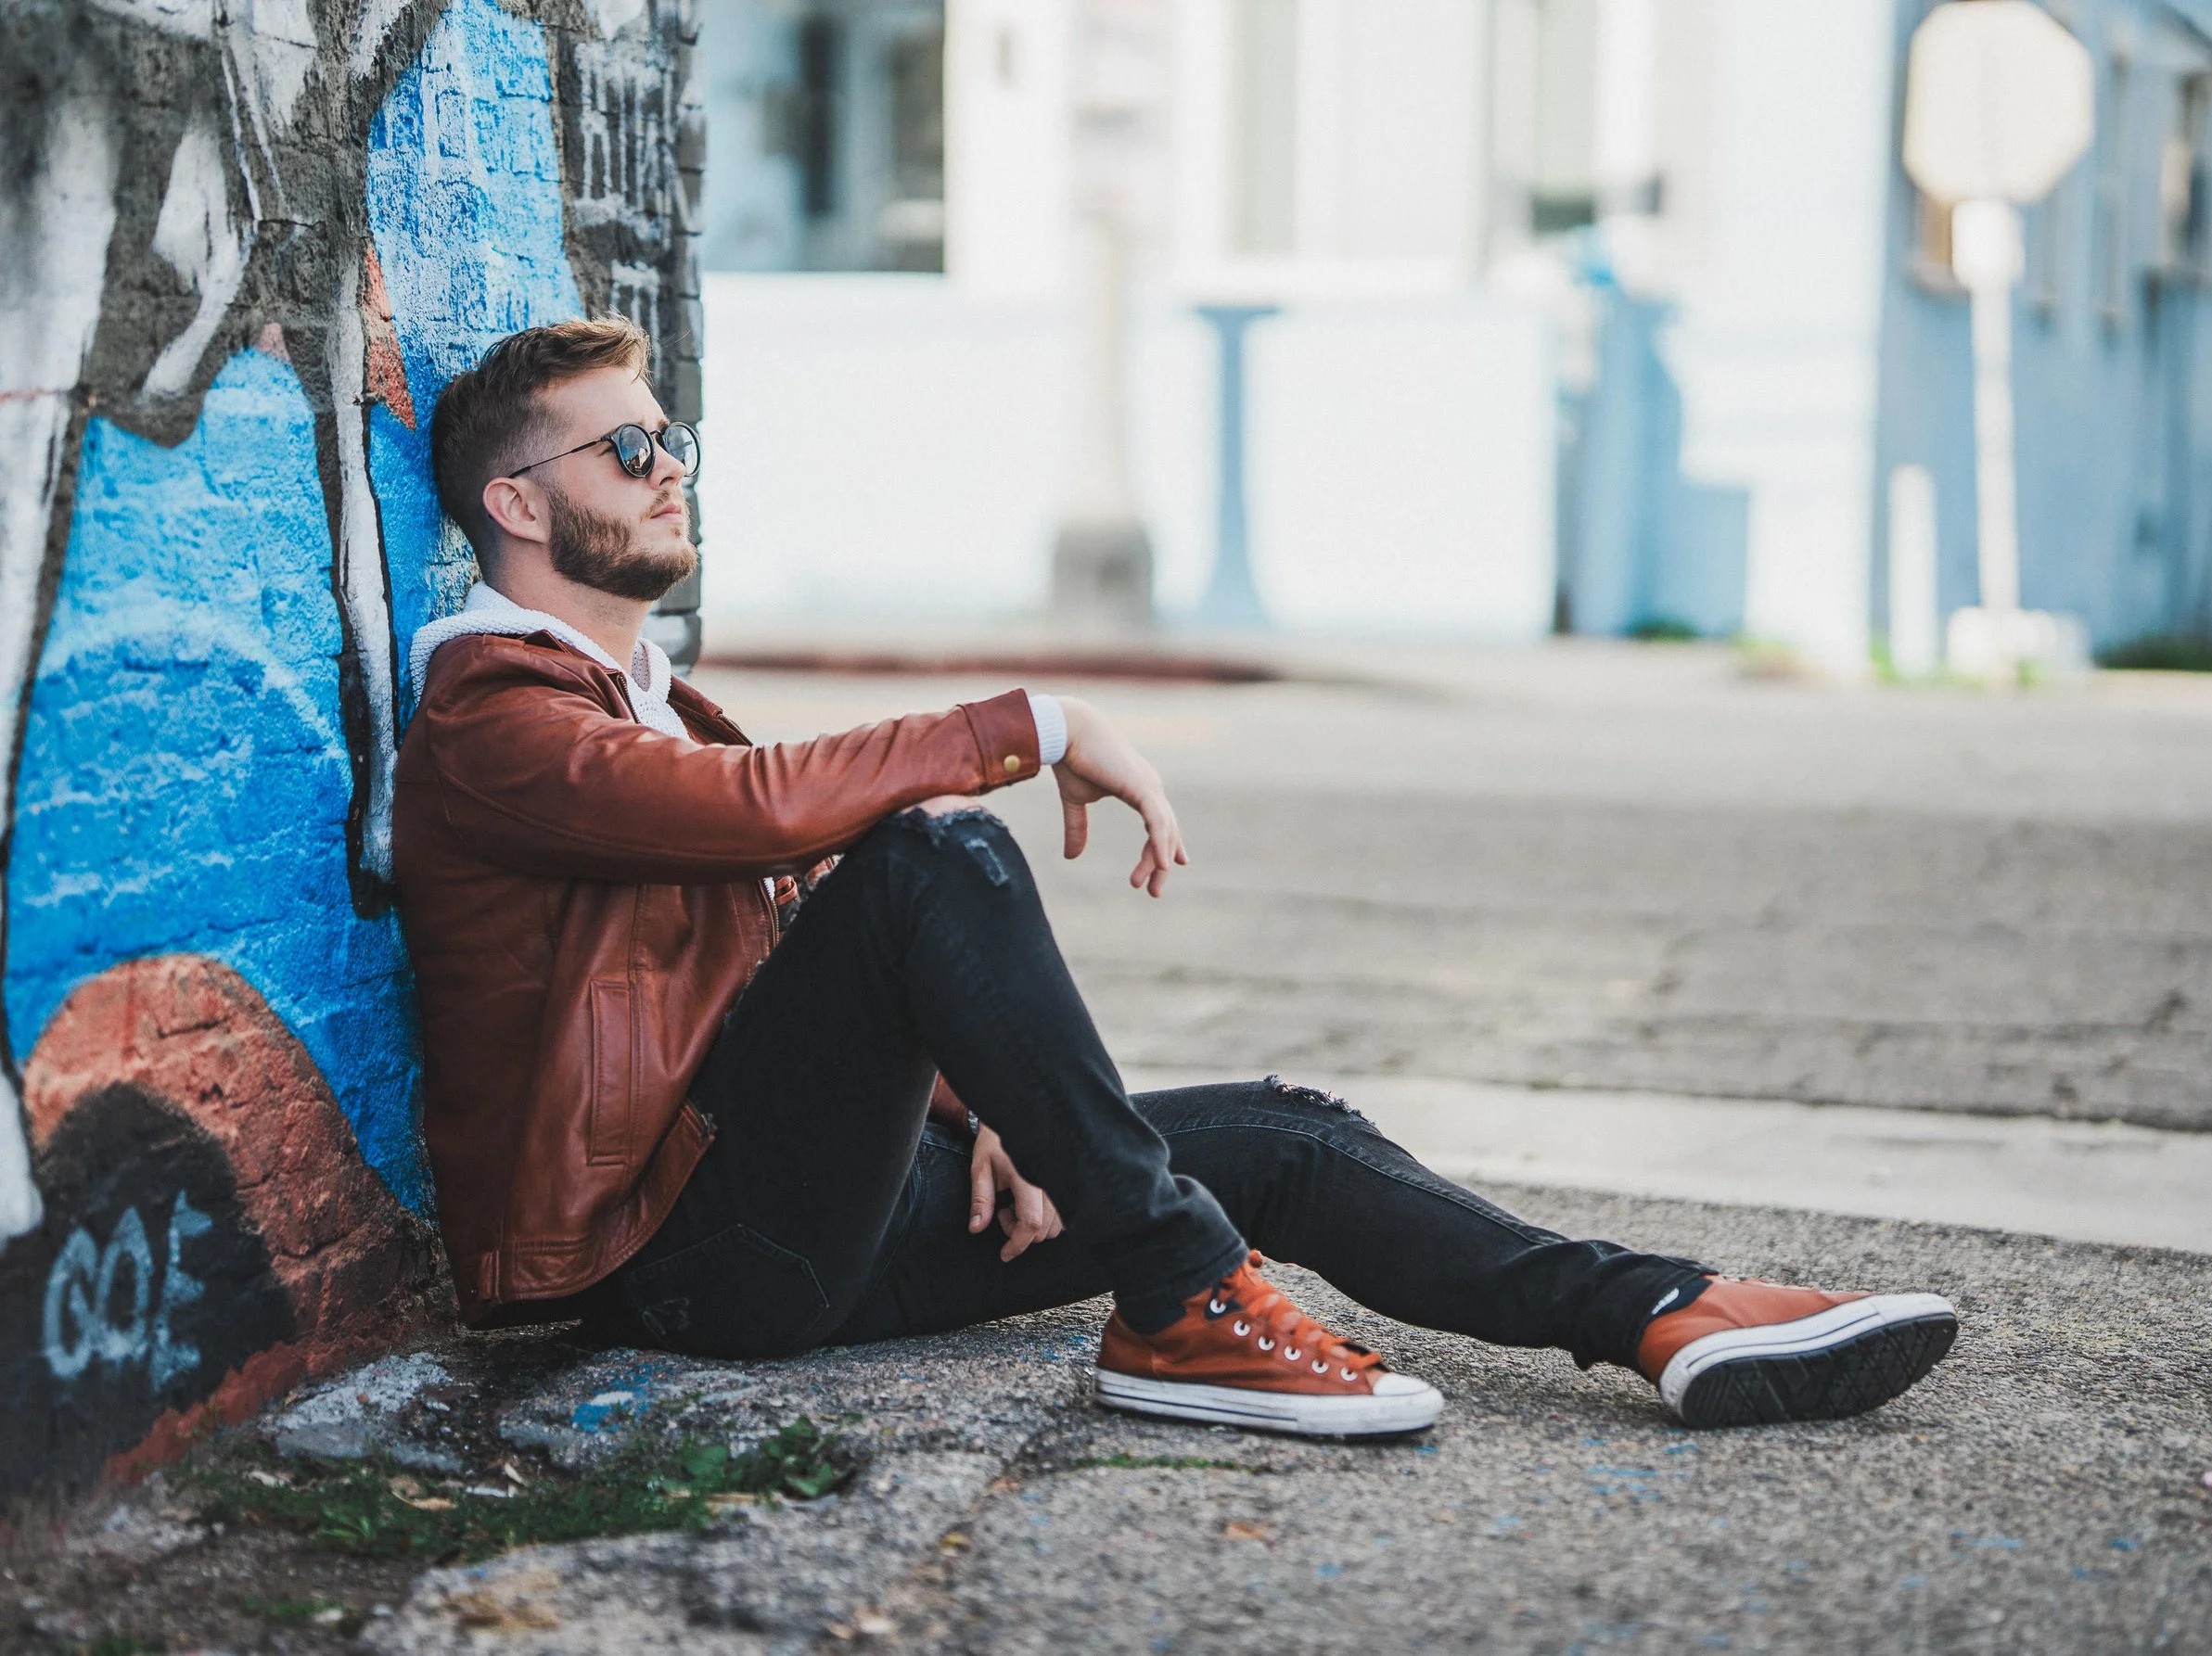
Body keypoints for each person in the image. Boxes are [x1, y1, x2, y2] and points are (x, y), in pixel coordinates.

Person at [393, 317, 1958, 1438]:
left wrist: (967, 1113)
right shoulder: (492, 720)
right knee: (938, 849)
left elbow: (766, 997)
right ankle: (1185, 1302)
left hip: (814, 1223)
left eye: (674, 437)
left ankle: (1657, 1311)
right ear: (519, 506)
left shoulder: (647, 697)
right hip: (673, 1266)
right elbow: (757, 817)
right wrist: (1036, 725)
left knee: (1283, 1134)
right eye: (629, 445)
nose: (671, 468)